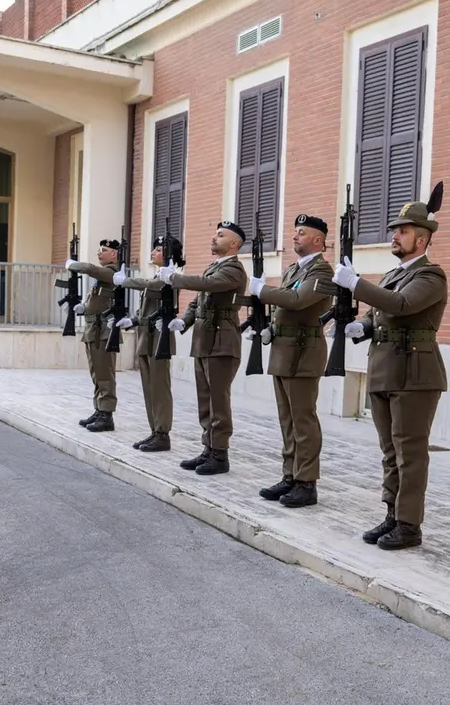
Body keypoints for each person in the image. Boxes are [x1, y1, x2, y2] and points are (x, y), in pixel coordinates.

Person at [332, 188, 448, 550]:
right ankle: (393, 514)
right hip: (385, 369)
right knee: (389, 451)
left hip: (414, 374)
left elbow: (400, 305)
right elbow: (377, 312)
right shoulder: (392, 273)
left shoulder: (431, 276)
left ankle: (409, 524)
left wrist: (356, 284)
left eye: (403, 230)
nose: (394, 235)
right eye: (395, 229)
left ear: (422, 238)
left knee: (409, 453)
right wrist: (362, 327)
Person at [249, 214, 334, 508]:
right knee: (287, 420)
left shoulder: (322, 273)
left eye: (302, 232)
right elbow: (284, 307)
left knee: (303, 420)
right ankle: (290, 474)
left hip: (303, 352)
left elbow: (297, 301)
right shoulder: (292, 271)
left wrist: (262, 291)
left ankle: (306, 482)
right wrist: (269, 329)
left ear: (318, 240)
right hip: (283, 350)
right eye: (295, 232)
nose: (295, 237)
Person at [156, 221, 248, 475]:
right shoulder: (214, 267)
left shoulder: (234, 270)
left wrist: (174, 278)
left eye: (220, 235)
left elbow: (205, 285)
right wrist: (184, 320)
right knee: (205, 400)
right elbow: (198, 301)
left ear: (234, 244)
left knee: (219, 400)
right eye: (215, 233)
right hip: (204, 341)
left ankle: (220, 454)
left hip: (222, 341)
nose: (214, 238)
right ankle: (208, 448)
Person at [114, 235, 181, 452]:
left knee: (160, 388)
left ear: (169, 255)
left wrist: (125, 281)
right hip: (146, 336)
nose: (153, 252)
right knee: (149, 388)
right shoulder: (157, 275)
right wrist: (132, 319)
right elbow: (146, 306)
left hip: (159, 338)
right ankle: (155, 431)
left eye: (159, 249)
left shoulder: (170, 277)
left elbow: (150, 286)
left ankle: (162, 433)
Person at [66, 238, 122, 433]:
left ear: (114, 254)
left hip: (104, 331)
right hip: (93, 329)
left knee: (105, 374)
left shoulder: (112, 272)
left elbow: (91, 269)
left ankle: (107, 415)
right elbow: (97, 296)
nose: (100, 253)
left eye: (104, 250)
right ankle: (99, 409)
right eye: (99, 250)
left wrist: (75, 265)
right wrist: (85, 306)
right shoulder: (103, 275)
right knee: (96, 373)